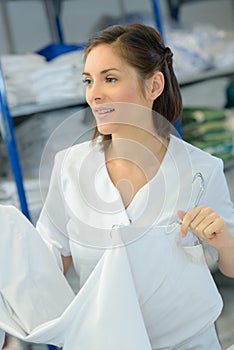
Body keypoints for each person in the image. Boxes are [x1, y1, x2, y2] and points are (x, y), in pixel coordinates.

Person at [1, 23, 234, 349]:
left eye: (110, 79)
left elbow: (231, 264)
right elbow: (52, 256)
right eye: (88, 81)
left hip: (189, 343)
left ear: (153, 85)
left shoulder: (200, 169)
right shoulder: (71, 166)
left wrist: (222, 240)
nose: (94, 93)